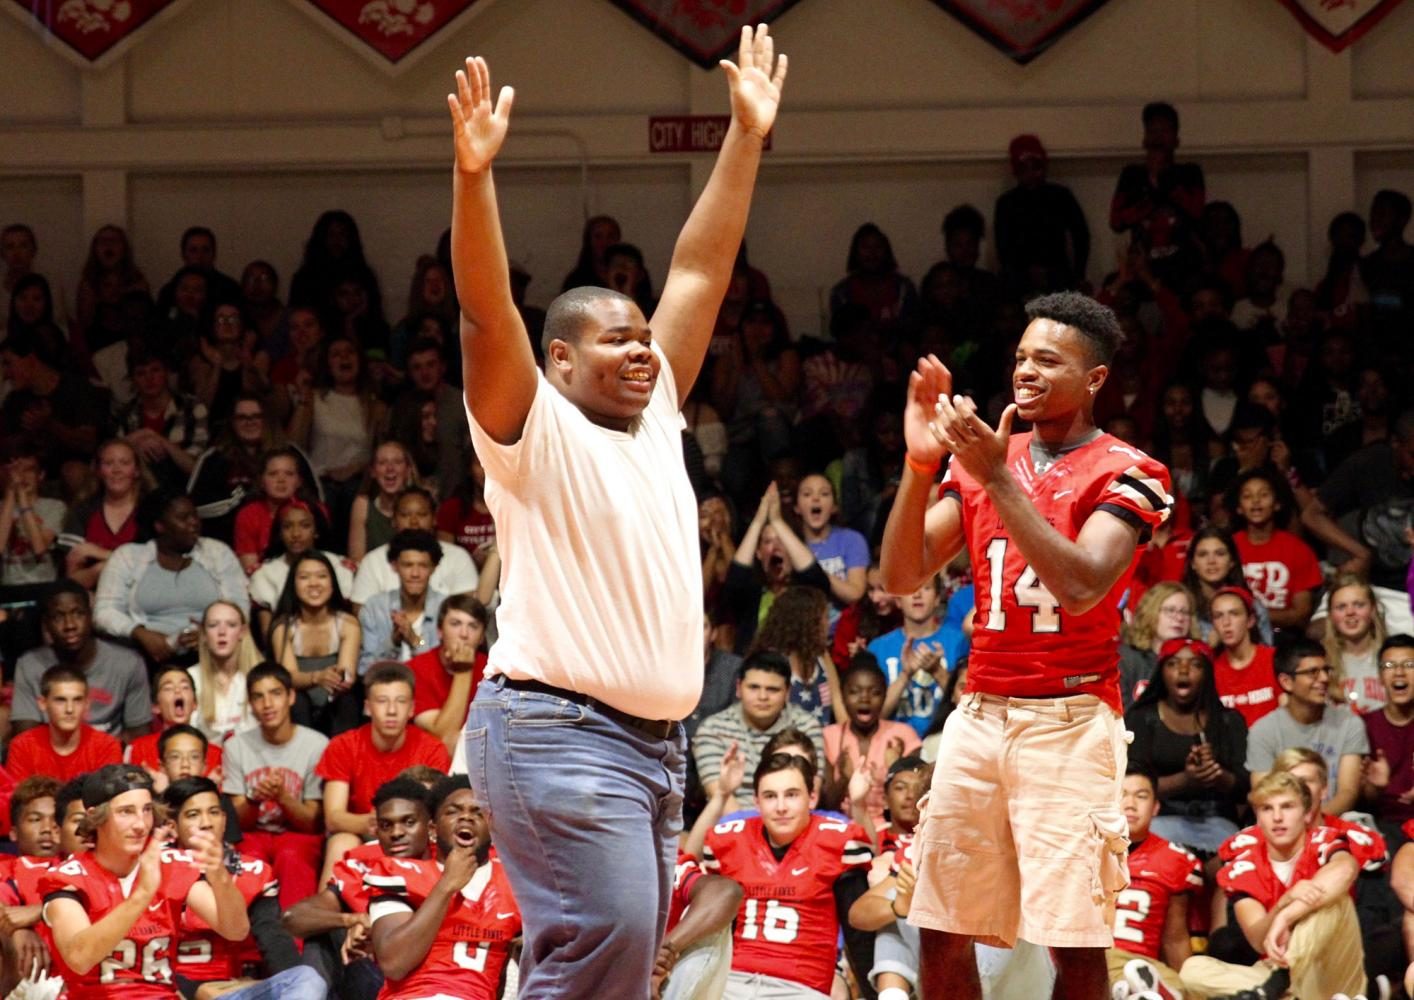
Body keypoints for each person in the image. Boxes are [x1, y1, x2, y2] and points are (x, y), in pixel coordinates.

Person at [449, 29, 785, 995]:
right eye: (616, 343)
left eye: (646, 340)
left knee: (622, 963)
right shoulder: (530, 427)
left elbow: (699, 270)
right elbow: (483, 314)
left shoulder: (656, 415)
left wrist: (745, 139)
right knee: (608, 941)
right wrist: (474, 178)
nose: (644, 352)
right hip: (557, 731)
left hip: (651, 744)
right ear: (559, 362)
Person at [880, 290, 1173, 998]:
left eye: (1048, 359)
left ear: (1095, 378)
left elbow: (1082, 584)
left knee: (1071, 943)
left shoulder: (1133, 471)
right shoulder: (988, 458)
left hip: (1071, 723)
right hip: (980, 714)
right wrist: (921, 468)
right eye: (1020, 357)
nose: (1026, 371)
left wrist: (997, 478)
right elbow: (901, 573)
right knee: (942, 926)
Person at [40, 764, 249, 998]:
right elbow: (79, 958)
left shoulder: (171, 864)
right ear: (95, 817)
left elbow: (236, 930)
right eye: (126, 812)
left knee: (297, 980)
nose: (140, 824)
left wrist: (219, 876)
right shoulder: (66, 877)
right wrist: (142, 893)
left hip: (162, 996)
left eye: (147, 810)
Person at [1178, 771, 1364, 1000]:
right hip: (1273, 977)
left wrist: (1287, 915)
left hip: (1332, 975)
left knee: (1331, 901)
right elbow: (1257, 940)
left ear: (1307, 814)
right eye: (1267, 808)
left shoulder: (1323, 840)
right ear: (1257, 817)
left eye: (1287, 807)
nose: (1277, 817)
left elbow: (1346, 869)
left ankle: (1279, 982)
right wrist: (1282, 904)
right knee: (1193, 970)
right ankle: (1280, 991)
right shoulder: (1245, 863)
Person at [702, 752, 872, 999]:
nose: (781, 807)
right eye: (770, 796)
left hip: (801, 987)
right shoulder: (729, 840)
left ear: (811, 798)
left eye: (791, 795)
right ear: (756, 802)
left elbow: (859, 934)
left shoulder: (840, 842)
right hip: (731, 981)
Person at [160, 776, 321, 1000]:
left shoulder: (252, 871)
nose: (206, 823)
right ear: (172, 826)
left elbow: (274, 941)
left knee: (307, 977)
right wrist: (192, 989)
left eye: (214, 812)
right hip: (168, 989)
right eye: (193, 815)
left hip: (231, 989)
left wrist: (289, 985)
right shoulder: (156, 867)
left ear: (225, 820)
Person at [365, 776, 521, 999]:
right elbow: (394, 963)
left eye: (478, 812)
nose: (466, 816)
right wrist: (446, 885)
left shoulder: (514, 883)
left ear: (493, 830)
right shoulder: (399, 872)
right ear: (432, 829)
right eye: (453, 811)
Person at [281, 776, 434, 1000]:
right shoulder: (363, 866)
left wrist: (378, 930)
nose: (396, 833)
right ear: (375, 830)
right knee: (322, 932)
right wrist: (354, 920)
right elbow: (292, 917)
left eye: (409, 822)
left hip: (427, 979)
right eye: (386, 825)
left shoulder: (445, 867)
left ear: (430, 825)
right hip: (369, 980)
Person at [316, 662, 450, 880]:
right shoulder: (343, 745)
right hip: (361, 832)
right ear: (367, 707)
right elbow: (334, 817)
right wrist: (382, 824)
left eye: (400, 701)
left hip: (413, 837)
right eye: (382, 701)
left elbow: (432, 812)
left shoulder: (432, 749)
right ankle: (326, 911)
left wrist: (395, 826)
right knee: (341, 842)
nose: (391, 711)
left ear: (412, 708)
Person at [93, 489, 249, 666]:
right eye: (184, 518)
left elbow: (240, 606)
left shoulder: (217, 553)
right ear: (160, 526)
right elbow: (104, 612)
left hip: (211, 655)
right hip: (146, 657)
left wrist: (212, 633)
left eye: (195, 516)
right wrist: (138, 632)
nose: (194, 523)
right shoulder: (128, 557)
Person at [222, 663, 329, 913]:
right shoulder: (236, 746)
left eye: (276, 693)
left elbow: (313, 823)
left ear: (291, 697)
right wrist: (254, 798)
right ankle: (248, 943)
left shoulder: (316, 745)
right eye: (258, 696)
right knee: (248, 861)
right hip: (253, 835)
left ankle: (295, 940)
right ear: (250, 704)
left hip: (298, 836)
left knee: (292, 856)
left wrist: (283, 797)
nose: (267, 704)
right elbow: (237, 823)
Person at [1124, 638, 1248, 854]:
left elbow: (1245, 788)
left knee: (1232, 855)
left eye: (1195, 664)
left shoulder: (1229, 721)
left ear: (1207, 672)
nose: (1183, 671)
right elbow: (1131, 784)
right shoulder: (1141, 718)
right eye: (1173, 663)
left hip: (1216, 819)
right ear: (1161, 671)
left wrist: (1216, 774)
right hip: (1159, 818)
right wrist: (1186, 780)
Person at [9, 579, 150, 741]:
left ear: (91, 616)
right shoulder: (30, 665)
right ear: (46, 624)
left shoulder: (128, 663)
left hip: (111, 759)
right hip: (53, 760)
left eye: (78, 613)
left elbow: (139, 739)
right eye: (58, 616)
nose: (70, 625)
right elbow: (25, 741)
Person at [1106, 765, 1201, 1000]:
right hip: (1098, 955)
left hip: (1144, 964)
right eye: (1122, 794)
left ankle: (1142, 992)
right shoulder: (1086, 851)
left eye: (1141, 796)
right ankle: (1133, 993)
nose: (1130, 804)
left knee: (1184, 992)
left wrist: (1185, 981)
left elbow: (1175, 938)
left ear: (1156, 806)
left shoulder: (1173, 859)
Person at [1247, 637, 1369, 815]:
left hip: (1333, 822)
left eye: (1325, 670)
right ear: (1286, 682)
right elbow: (1263, 797)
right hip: (1281, 823)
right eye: (1313, 672)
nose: (1324, 678)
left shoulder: (1349, 723)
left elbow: (1347, 793)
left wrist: (1313, 824)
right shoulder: (1263, 731)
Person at [692, 651, 824, 810]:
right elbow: (721, 798)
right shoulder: (712, 729)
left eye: (773, 689)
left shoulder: (807, 726)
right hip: (734, 826)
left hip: (792, 823)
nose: (762, 696)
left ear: (788, 693)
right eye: (754, 687)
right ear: (739, 688)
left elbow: (810, 792)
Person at [823, 655, 922, 831]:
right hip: (841, 828)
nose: (865, 699)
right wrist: (845, 779)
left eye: (874, 692)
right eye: (854, 692)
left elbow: (912, 801)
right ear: (843, 696)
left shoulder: (903, 735)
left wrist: (894, 768)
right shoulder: (829, 736)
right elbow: (825, 805)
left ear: (885, 695)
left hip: (892, 829)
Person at [867, 574, 968, 739]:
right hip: (892, 744)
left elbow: (969, 710)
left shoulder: (959, 643)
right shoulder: (878, 648)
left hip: (946, 740)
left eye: (926, 588)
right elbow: (873, 718)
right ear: (898, 601)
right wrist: (905, 675)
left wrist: (938, 672)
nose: (917, 595)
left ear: (937, 598)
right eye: (910, 590)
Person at [268, 551, 361, 729]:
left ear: (332, 584)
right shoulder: (283, 627)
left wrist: (339, 679)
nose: (314, 584)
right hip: (300, 705)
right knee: (296, 699)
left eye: (321, 576)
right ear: (293, 585)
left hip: (334, 699)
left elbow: (347, 674)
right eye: (304, 577)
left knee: (347, 701)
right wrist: (316, 677)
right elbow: (288, 677)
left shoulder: (348, 623)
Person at [348, 488, 480, 609]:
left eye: (422, 515)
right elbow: (362, 613)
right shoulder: (373, 561)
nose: (414, 522)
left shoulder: (458, 558)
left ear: (434, 519)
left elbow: (466, 610)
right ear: (393, 520)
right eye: (405, 515)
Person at [993, 133, 1090, 294]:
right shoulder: (1006, 203)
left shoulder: (1060, 196)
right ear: (1016, 171)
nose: (1031, 174)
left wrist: (1078, 274)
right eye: (1024, 168)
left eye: (1035, 167)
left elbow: (1081, 235)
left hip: (1057, 275)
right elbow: (1003, 247)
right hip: (1019, 278)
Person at [1230, 469, 1321, 633]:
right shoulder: (1228, 547)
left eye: (1263, 495)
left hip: (1285, 636)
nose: (1256, 501)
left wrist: (1254, 615)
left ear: (1277, 504)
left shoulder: (1298, 549)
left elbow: (1301, 612)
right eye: (1247, 496)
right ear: (1239, 508)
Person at [248, 498, 350, 639]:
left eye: (305, 525)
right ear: (279, 533)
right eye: (287, 526)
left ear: (316, 530)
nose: (296, 534)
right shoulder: (265, 574)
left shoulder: (340, 567)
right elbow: (268, 635)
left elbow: (349, 624)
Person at [5, 665, 122, 783]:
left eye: (77, 700)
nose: (69, 709)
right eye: (60, 700)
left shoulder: (106, 746)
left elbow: (108, 798)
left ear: (87, 704)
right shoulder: (23, 747)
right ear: (43, 703)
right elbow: (19, 799)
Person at [116, 350, 209, 493]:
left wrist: (157, 439)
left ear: (166, 373)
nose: (149, 378)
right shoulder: (126, 414)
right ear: (133, 380)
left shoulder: (193, 408)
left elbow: (196, 469)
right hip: (137, 490)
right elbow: (110, 456)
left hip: (184, 489)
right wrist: (136, 442)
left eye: (155, 370)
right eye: (141, 373)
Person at [405, 593, 487, 753]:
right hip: (429, 757)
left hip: (482, 753)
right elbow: (444, 736)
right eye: (455, 624)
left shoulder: (493, 668)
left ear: (482, 637)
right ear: (440, 632)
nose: (464, 634)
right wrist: (464, 670)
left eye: (473, 626)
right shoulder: (415, 669)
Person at [357, 530, 447, 675]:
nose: (415, 574)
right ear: (394, 566)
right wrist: (392, 642)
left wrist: (416, 640)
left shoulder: (446, 607)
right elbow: (365, 670)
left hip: (433, 693)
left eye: (423, 566)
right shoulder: (375, 607)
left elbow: (444, 669)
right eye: (407, 565)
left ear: (433, 568)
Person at [63, 438, 146, 589]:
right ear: (99, 471)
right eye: (108, 463)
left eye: (125, 463)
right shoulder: (83, 511)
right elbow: (72, 581)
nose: (116, 470)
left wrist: (100, 555)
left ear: (137, 470)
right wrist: (98, 570)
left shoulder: (150, 509)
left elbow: (154, 566)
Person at [189, 598, 262, 750]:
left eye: (231, 625)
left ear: (242, 632)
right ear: (203, 634)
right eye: (213, 625)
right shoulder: (189, 679)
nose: (222, 632)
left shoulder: (262, 677)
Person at [1117, 582, 1200, 711]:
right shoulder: (1126, 660)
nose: (1179, 618)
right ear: (1151, 612)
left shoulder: (1198, 663)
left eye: (1184, 612)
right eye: (1170, 610)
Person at [231, 447, 315, 574]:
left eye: (289, 474)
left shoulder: (314, 511)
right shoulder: (248, 515)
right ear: (261, 481)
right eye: (273, 474)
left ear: (299, 481)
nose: (281, 480)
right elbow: (251, 570)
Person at [1360, 634, 1414, 829]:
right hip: (1383, 823)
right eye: (1389, 666)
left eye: (1409, 665)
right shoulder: (1363, 726)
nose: (1399, 672)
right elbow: (1362, 797)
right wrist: (1375, 787)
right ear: (1380, 677)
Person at [1209, 585, 1280, 728]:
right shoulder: (1210, 670)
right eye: (1218, 616)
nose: (1226, 623)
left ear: (1250, 620)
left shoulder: (1274, 660)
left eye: (1234, 614)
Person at [1323, 574, 1389, 715]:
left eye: (1359, 605)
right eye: (1341, 607)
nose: (1350, 612)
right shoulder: (1321, 663)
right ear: (1331, 615)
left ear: (1372, 610)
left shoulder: (1393, 658)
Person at [347, 440, 417, 564]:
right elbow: (357, 560)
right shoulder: (362, 505)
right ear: (373, 471)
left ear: (407, 470)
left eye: (397, 462)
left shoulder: (420, 505)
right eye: (382, 463)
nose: (390, 468)